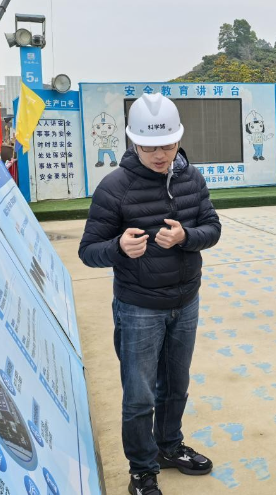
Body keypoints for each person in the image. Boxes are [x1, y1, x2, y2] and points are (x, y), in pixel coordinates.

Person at [78, 92, 221, 495]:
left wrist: (186, 236)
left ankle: (169, 446)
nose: (160, 155)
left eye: (168, 145)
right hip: (138, 307)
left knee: (175, 385)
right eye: (149, 147)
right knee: (139, 396)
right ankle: (142, 470)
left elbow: (212, 228)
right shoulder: (114, 188)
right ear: (133, 142)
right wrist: (118, 247)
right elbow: (88, 251)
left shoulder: (192, 179)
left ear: (179, 138)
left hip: (185, 301)